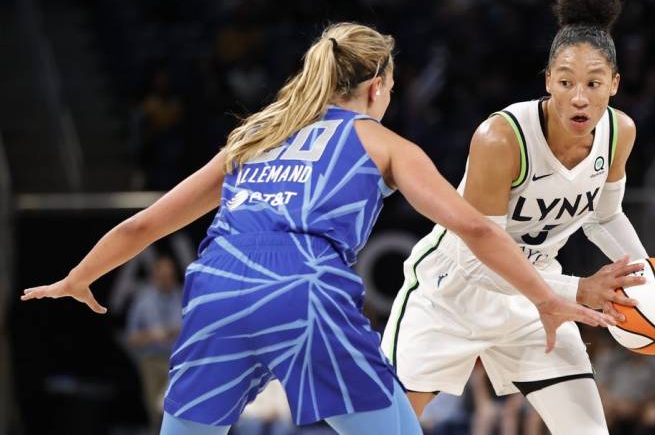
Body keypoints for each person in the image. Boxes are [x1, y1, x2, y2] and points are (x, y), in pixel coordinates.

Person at [21, 22, 614, 435]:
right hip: (301, 289)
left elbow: (147, 223)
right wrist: (545, 296)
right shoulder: (380, 140)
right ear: (378, 85)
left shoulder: (255, 137)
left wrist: (78, 277)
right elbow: (476, 230)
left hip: (216, 289)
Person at [381, 0, 655, 434]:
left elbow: (603, 217)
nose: (580, 98)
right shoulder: (501, 137)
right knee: (384, 429)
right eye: (567, 82)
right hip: (451, 292)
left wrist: (649, 280)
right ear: (548, 81)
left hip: (536, 298)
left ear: (616, 84)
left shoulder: (619, 132)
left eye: (594, 83)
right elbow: (478, 259)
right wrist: (576, 290)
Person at [126, 255, 184, 430]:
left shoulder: (184, 297)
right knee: (154, 410)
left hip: (178, 363)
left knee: (177, 409)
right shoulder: (143, 301)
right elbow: (131, 338)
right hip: (151, 361)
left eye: (170, 276)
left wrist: (172, 332)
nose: (167, 280)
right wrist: (151, 335)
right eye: (163, 276)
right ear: (154, 277)